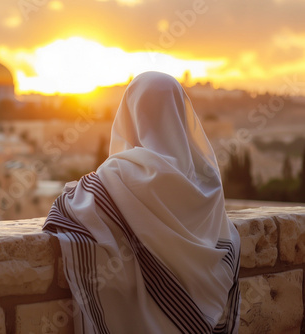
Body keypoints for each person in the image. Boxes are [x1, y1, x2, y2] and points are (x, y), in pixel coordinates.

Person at [43, 71, 240, 333]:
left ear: (130, 114)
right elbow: (223, 238)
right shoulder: (208, 181)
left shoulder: (119, 176)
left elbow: (68, 208)